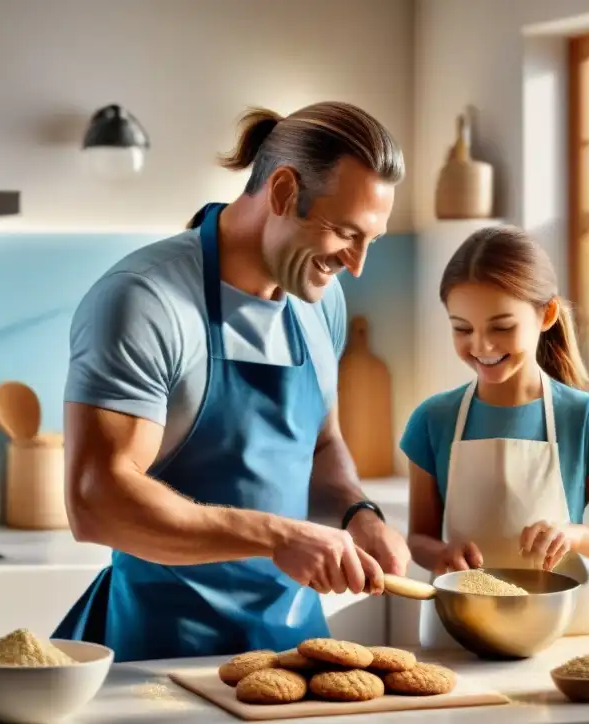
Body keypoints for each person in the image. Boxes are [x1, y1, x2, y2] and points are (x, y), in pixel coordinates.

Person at [53, 102, 412, 662]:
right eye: (345, 233)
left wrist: (356, 514)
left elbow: (321, 445)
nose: (358, 263)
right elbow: (97, 500)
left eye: (371, 239)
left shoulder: (322, 303)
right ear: (284, 191)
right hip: (159, 653)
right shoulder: (144, 300)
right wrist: (277, 536)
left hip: (297, 652)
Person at [400, 225, 589, 646]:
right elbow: (418, 537)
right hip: (460, 630)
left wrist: (575, 534)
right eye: (461, 328)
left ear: (546, 315)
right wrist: (440, 554)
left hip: (560, 632)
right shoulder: (432, 419)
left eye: (502, 326)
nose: (481, 345)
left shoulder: (583, 417)